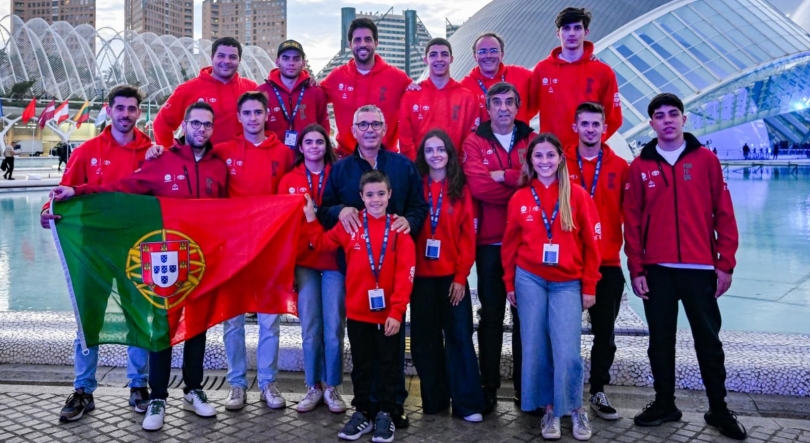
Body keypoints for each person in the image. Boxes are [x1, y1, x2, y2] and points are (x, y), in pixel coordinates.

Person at [51, 102, 228, 431]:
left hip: (202, 259)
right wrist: (76, 191)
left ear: (212, 129)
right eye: (195, 123)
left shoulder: (219, 166)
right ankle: (157, 396)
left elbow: (231, 212)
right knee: (160, 325)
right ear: (184, 126)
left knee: (199, 325)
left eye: (207, 125)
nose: (201, 129)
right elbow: (122, 189)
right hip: (166, 259)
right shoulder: (164, 161)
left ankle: (194, 389)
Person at [147, 91, 295, 410]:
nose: (253, 117)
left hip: (269, 248)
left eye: (258, 112)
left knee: (270, 321)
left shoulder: (283, 153)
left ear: (266, 115)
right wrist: (158, 148)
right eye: (247, 113)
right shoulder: (223, 153)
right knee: (233, 319)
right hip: (231, 250)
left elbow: (290, 195)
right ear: (238, 118)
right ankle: (236, 384)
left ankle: (268, 383)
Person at [624, 93, 745, 440]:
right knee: (660, 342)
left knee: (708, 341)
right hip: (657, 270)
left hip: (699, 269)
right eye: (660, 116)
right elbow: (630, 222)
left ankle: (718, 409)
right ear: (651, 123)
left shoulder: (706, 160)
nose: (667, 120)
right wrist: (637, 268)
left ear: (684, 119)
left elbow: (724, 212)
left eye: (673, 114)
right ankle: (665, 404)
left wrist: (725, 264)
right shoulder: (641, 165)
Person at [39, 85, 153, 422]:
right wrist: (48, 209)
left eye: (132, 109)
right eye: (120, 108)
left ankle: (138, 385)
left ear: (139, 112)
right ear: (109, 109)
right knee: (88, 320)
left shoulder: (150, 152)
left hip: (135, 249)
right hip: (93, 251)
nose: (126, 114)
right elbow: (64, 194)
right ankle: (83, 389)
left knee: (139, 318)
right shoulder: (87, 151)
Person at [319, 104, 428, 429]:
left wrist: (408, 222)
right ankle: (365, 408)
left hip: (392, 274)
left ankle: (392, 407)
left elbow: (420, 207)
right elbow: (326, 209)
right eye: (363, 124)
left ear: (385, 129)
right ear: (353, 130)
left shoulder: (402, 166)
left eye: (376, 124)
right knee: (364, 352)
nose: (369, 129)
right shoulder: (340, 169)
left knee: (391, 351)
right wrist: (339, 211)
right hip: (355, 272)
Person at [303, 170, 416, 443]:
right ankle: (363, 411)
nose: (375, 199)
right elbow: (320, 244)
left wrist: (397, 311)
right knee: (362, 366)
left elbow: (406, 274)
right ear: (361, 197)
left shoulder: (399, 230)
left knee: (389, 366)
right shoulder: (350, 226)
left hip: (389, 316)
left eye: (380, 194)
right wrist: (309, 217)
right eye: (369, 195)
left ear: (389, 195)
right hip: (357, 313)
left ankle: (386, 413)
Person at [502, 133, 601, 441]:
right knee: (535, 347)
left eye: (549, 155)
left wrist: (590, 285)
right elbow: (509, 245)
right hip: (529, 278)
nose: (544, 161)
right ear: (530, 161)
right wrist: (509, 283)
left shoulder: (577, 196)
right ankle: (549, 410)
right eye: (538, 156)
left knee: (567, 349)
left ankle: (574, 407)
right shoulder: (521, 197)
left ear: (560, 159)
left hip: (567, 282)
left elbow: (592, 245)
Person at [462, 82, 537, 412]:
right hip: (490, 243)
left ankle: (526, 388)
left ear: (517, 107)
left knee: (526, 320)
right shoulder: (474, 140)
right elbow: (478, 186)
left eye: (510, 102)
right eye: (497, 103)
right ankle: (488, 386)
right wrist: (517, 179)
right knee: (490, 317)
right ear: (488, 108)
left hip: (527, 243)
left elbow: (539, 179)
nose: (504, 108)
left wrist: (501, 176)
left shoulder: (532, 141)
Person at [411, 129, 484, 423]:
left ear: (449, 154)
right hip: (421, 280)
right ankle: (434, 399)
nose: (435, 155)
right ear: (423, 155)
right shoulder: (416, 187)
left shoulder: (460, 189)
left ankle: (466, 403)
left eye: (440, 149)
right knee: (424, 341)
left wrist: (460, 276)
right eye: (429, 150)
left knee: (460, 339)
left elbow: (468, 238)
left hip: (452, 279)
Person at [564, 102, 629, 421]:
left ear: (605, 129)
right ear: (575, 127)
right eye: (584, 124)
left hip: (608, 264)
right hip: (569, 265)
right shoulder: (560, 162)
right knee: (563, 334)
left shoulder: (619, 167)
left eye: (596, 124)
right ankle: (563, 392)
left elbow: (633, 217)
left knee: (605, 334)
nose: (590, 129)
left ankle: (598, 390)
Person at [277, 124, 348, 413]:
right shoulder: (288, 180)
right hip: (304, 263)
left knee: (333, 327)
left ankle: (332, 387)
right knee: (310, 328)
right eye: (309, 142)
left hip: (332, 260)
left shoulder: (338, 174)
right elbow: (282, 227)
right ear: (301, 147)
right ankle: (312, 386)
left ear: (327, 145)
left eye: (320, 141)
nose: (315, 146)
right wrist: (287, 267)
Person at [530, 7, 622, 149]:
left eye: (577, 28)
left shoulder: (603, 71)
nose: (572, 33)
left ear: (586, 32)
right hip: (553, 155)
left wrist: (591, 144)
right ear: (558, 33)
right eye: (566, 28)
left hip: (587, 156)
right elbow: (527, 109)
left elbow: (613, 118)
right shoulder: (543, 69)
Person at [321, 17, 413, 157]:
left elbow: (421, 100)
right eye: (357, 40)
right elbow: (311, 95)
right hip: (347, 158)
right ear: (349, 44)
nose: (362, 44)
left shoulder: (397, 77)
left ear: (376, 43)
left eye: (368, 39)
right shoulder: (337, 77)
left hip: (385, 160)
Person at [153, 37, 258, 148]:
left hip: (239, 162)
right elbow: (161, 125)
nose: (227, 61)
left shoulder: (251, 88)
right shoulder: (188, 89)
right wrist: (170, 157)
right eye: (221, 56)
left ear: (239, 60)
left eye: (232, 57)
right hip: (200, 163)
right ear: (212, 58)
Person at [398, 38, 480, 160]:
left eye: (444, 54)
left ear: (451, 59)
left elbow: (471, 139)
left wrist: (457, 170)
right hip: (420, 172)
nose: (439, 59)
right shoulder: (411, 96)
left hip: (456, 173)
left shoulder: (466, 97)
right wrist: (418, 169)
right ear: (425, 60)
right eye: (433, 55)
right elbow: (405, 140)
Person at [257, 39, 329, 164]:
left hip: (308, 159)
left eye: (296, 59)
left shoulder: (315, 91)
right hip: (273, 159)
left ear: (303, 63)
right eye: (286, 58)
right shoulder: (262, 92)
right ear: (277, 61)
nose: (291, 63)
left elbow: (324, 127)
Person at [460, 32, 534, 124]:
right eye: (482, 52)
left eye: (494, 51)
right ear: (475, 56)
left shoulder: (522, 75)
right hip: (483, 138)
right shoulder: (465, 87)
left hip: (518, 137)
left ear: (502, 54)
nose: (488, 56)